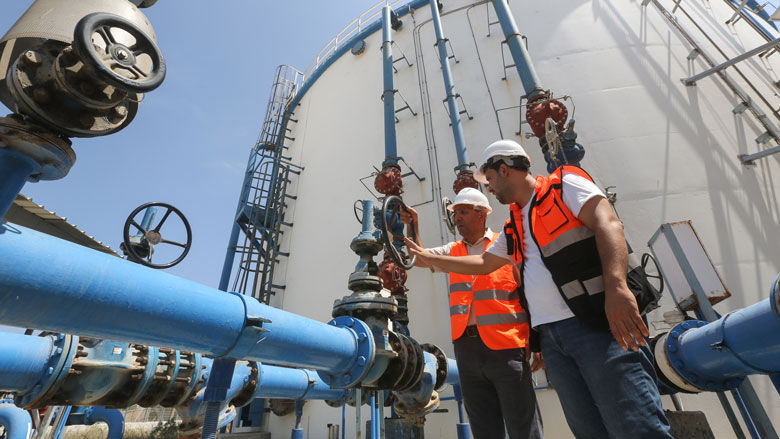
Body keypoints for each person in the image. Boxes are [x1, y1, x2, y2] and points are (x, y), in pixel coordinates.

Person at [405, 140, 674, 439]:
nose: (490, 189)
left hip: (596, 326)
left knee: (634, 426)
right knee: (588, 430)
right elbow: (483, 262)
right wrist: (539, 341)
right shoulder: (514, 225)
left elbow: (608, 224)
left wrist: (617, 288)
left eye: (490, 180)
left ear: (505, 169)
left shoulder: (564, 184)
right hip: (552, 340)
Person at [401, 187, 543, 439]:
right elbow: (420, 259)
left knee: (524, 427)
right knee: (484, 428)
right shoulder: (453, 250)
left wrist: (538, 340)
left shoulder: (505, 245)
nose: (457, 219)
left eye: (463, 212)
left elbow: (529, 293)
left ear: (482, 215)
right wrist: (413, 225)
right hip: (467, 350)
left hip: (507, 347)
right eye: (455, 214)